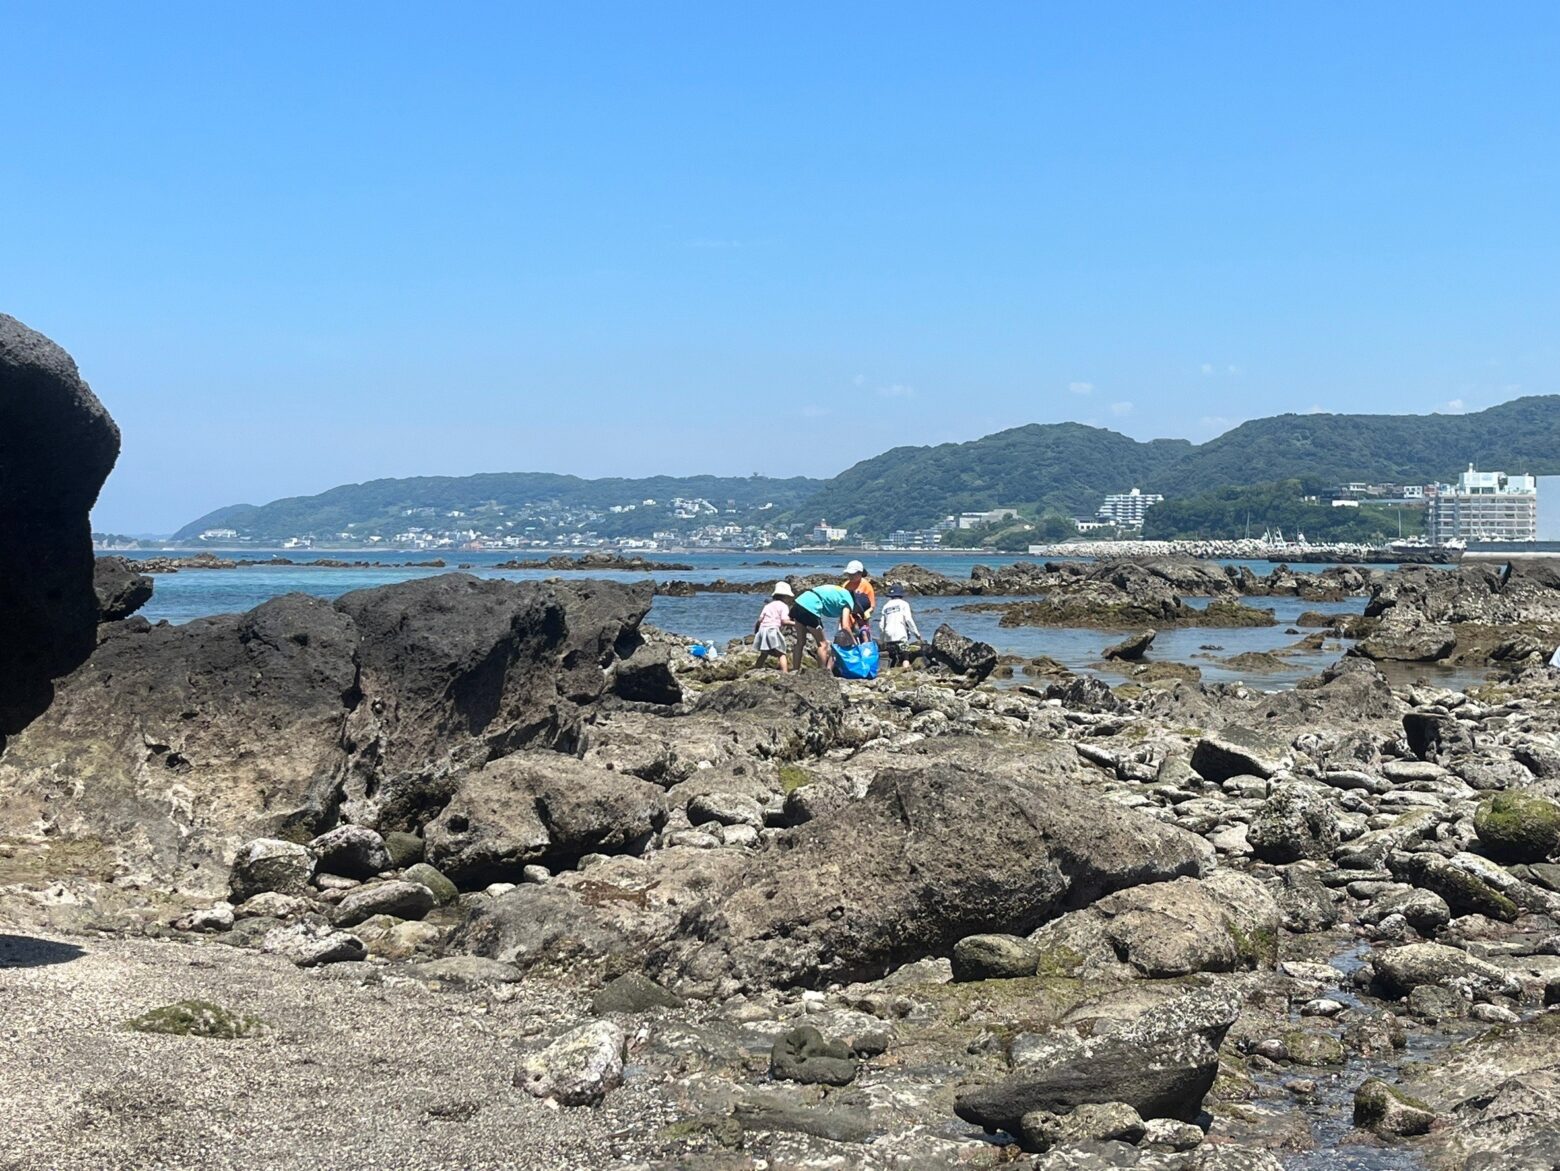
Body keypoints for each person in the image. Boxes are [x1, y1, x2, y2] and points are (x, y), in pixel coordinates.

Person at [789, 583, 861, 670]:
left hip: (799, 602)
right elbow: (845, 626)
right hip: (811, 607)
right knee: (823, 644)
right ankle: (822, 673)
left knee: (800, 642)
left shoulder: (842, 593)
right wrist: (854, 643)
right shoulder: (849, 602)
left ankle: (795, 671)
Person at [753, 582, 795, 672]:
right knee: (781, 653)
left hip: (762, 630)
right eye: (789, 597)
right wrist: (797, 624)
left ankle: (756, 670)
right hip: (772, 630)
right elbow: (784, 621)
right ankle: (785, 673)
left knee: (764, 654)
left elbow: (759, 620)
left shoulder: (768, 606)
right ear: (785, 597)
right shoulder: (784, 606)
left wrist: (756, 632)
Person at [878, 583, 923, 667]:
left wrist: (882, 638)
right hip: (901, 634)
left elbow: (881, 625)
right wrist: (916, 634)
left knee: (892, 657)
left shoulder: (886, 606)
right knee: (905, 656)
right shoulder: (904, 604)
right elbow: (909, 620)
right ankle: (905, 670)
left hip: (889, 635)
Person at [841, 559, 876, 637]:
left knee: (864, 636)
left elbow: (872, 606)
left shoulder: (866, 585)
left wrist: (867, 613)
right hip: (847, 618)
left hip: (861, 619)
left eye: (853, 574)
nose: (850, 576)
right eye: (849, 574)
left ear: (860, 573)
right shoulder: (845, 585)